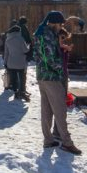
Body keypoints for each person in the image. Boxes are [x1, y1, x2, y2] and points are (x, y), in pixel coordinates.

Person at [35, 11, 81, 155]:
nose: (61, 26)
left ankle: (48, 140)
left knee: (46, 110)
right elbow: (49, 57)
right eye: (60, 23)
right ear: (54, 23)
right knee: (60, 110)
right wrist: (61, 70)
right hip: (51, 77)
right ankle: (67, 143)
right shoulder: (47, 34)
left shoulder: (41, 32)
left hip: (42, 76)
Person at [3, 24, 30, 101]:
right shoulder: (21, 39)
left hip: (11, 63)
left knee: (13, 79)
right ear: (18, 31)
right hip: (21, 63)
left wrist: (5, 62)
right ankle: (21, 92)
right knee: (22, 77)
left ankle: (15, 92)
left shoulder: (8, 39)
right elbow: (25, 50)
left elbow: (6, 53)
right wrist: (28, 46)